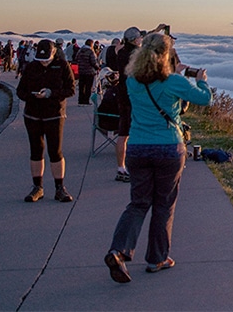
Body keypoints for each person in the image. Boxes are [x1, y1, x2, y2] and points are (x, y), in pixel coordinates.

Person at [104, 32, 211, 283]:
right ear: (167, 56)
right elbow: (206, 99)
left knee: (138, 203)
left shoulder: (132, 81)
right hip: (168, 148)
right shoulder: (173, 82)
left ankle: (118, 250)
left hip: (138, 147)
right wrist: (200, 79)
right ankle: (157, 258)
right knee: (164, 203)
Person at [17, 39, 76, 203]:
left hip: (54, 114)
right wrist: (32, 95)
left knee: (55, 151)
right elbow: (20, 91)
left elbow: (71, 89)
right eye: (41, 60)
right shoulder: (31, 67)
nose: (43, 63)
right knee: (36, 150)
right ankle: (37, 187)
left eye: (46, 60)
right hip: (33, 114)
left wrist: (51, 93)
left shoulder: (62, 66)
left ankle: (60, 188)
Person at [107, 27, 142, 181]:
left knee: (123, 133)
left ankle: (121, 167)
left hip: (122, 94)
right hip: (134, 96)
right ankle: (135, 166)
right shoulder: (137, 55)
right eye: (140, 37)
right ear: (135, 40)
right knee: (135, 132)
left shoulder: (121, 52)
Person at [75, 39, 101, 105]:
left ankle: (80, 100)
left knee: (81, 87)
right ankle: (86, 101)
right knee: (88, 87)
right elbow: (93, 62)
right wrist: (97, 67)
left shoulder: (80, 51)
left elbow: (76, 58)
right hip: (89, 72)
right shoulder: (90, 51)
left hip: (81, 71)